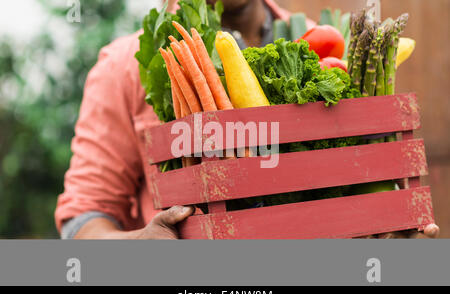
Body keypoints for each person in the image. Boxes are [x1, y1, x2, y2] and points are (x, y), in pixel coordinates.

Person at [55, 0, 439, 240]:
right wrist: (139, 249)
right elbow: (82, 221)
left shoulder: (331, 43)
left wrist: (391, 229)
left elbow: (369, 180)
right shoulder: (122, 67)